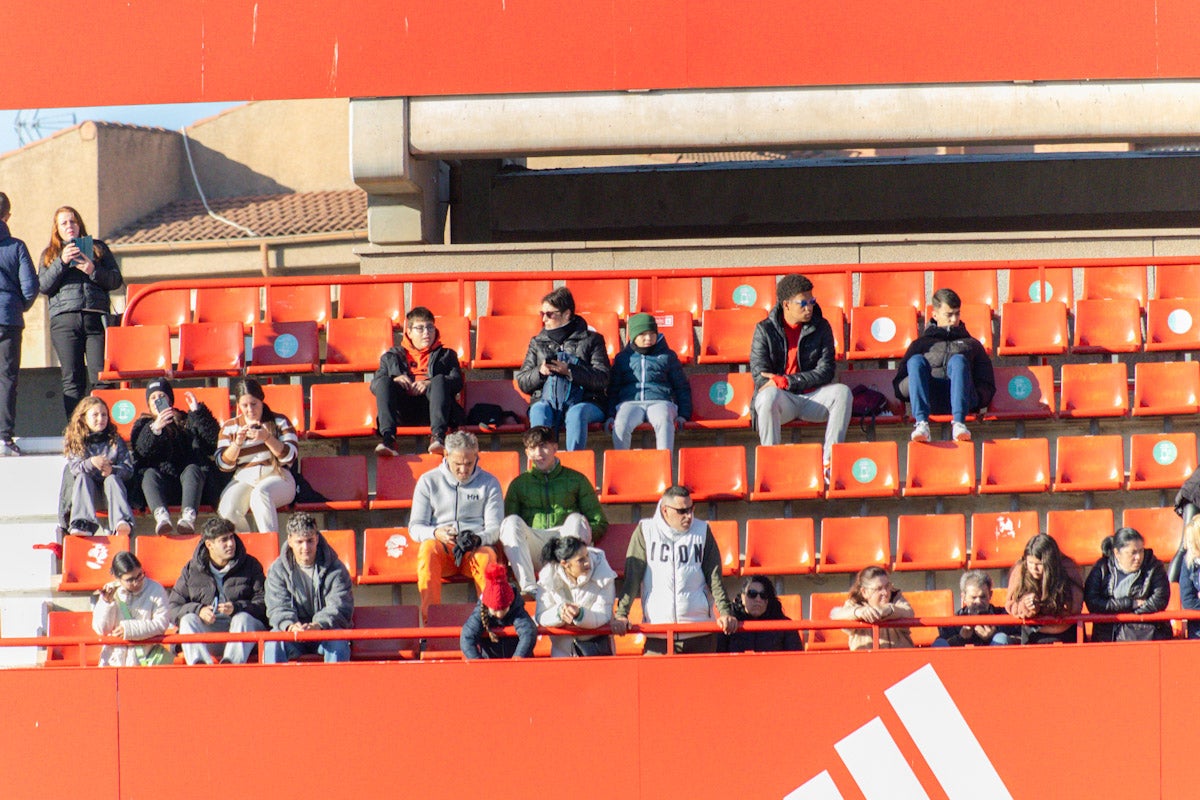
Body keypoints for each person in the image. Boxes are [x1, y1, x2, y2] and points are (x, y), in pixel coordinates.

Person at [612, 486, 737, 654]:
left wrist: (724, 611)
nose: (689, 516)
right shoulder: (645, 531)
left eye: (691, 509)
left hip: (700, 632)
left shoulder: (702, 531)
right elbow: (632, 578)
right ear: (665, 510)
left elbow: (714, 577)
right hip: (658, 634)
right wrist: (622, 614)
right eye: (682, 511)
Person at [750, 273, 851, 468]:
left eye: (812, 301)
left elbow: (826, 371)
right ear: (786, 305)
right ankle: (771, 466)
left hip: (813, 397)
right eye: (803, 303)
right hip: (782, 400)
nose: (810, 307)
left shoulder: (821, 326)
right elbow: (760, 375)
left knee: (842, 392)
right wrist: (780, 385)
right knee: (767, 396)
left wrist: (787, 381)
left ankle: (829, 464)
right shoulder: (764, 329)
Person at [499, 426, 608, 597]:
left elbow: (598, 522)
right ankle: (529, 589)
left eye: (543, 446)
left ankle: (574, 584)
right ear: (527, 452)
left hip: (565, 541)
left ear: (555, 448)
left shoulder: (576, 479)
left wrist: (581, 540)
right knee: (510, 522)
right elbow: (508, 528)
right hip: (535, 546)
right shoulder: (519, 484)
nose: (538, 453)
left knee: (576, 519)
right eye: (532, 448)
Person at [38, 206, 123, 419]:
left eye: (73, 221)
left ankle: (103, 428)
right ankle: (76, 432)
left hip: (95, 318)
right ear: (56, 229)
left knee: (101, 377)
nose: (69, 226)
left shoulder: (97, 248)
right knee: (72, 379)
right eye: (64, 223)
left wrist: (93, 271)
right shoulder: (50, 253)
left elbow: (115, 280)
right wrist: (62, 262)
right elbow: (43, 286)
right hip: (64, 321)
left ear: (79, 224)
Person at [409, 430, 503, 622]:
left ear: (477, 456)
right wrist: (436, 532)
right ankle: (431, 621)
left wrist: (478, 539)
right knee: (427, 549)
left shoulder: (490, 483)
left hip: (474, 548)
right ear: (446, 456)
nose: (464, 469)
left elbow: (495, 528)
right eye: (457, 464)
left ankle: (492, 620)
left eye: (469, 463)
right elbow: (415, 527)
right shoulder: (428, 481)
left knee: (488, 557)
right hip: (443, 547)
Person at [893, 287, 995, 443]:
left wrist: (974, 398)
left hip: (964, 399)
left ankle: (959, 424)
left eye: (957, 314)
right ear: (935, 314)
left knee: (958, 361)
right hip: (930, 398)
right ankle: (921, 424)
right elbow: (899, 387)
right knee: (915, 361)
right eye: (949, 314)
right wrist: (916, 377)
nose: (954, 320)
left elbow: (987, 383)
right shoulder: (919, 345)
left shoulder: (972, 344)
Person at [515, 287, 610, 451]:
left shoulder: (592, 340)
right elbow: (523, 381)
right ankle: (541, 462)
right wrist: (540, 372)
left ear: (566, 314)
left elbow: (602, 378)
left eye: (549, 314)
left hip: (587, 401)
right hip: (547, 399)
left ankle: (572, 465)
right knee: (539, 410)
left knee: (576, 413)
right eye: (542, 314)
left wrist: (570, 371)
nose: (544, 319)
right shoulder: (537, 342)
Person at [168, 516, 268, 665]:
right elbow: (173, 608)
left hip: (245, 636)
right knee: (188, 619)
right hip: (209, 633)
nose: (231, 544)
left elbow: (264, 603)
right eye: (224, 540)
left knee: (242, 618)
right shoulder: (192, 569)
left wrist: (237, 608)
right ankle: (201, 668)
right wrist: (198, 610)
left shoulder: (251, 565)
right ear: (209, 544)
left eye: (232, 538)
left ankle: (231, 667)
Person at [130, 378, 221, 535]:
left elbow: (212, 442)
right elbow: (141, 451)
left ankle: (188, 517)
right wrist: (155, 428)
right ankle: (161, 517)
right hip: (162, 487)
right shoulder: (143, 425)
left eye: (162, 396)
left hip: (191, 486)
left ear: (170, 400)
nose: (158, 400)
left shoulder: (186, 419)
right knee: (149, 474)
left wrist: (197, 411)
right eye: (153, 398)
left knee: (193, 469)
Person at [371, 305, 464, 457]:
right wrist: (394, 380)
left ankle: (438, 438)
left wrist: (430, 383)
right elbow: (375, 385)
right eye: (420, 328)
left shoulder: (447, 355)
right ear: (409, 332)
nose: (427, 333)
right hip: (403, 410)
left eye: (430, 327)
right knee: (384, 381)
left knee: (439, 380)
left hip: (434, 409)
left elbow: (457, 382)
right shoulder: (391, 357)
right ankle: (389, 439)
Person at [264, 512, 354, 663]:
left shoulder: (336, 568)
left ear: (317, 538)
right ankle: (275, 686)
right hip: (292, 634)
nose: (305, 547)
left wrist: (318, 625)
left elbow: (340, 606)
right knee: (273, 642)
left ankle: (337, 686)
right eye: (299, 542)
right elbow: (276, 607)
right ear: (290, 541)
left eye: (310, 541)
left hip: (325, 632)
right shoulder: (277, 570)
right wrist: (290, 626)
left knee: (339, 642)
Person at [215, 378, 298, 533]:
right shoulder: (230, 427)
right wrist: (237, 443)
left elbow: (290, 456)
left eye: (254, 404)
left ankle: (269, 546)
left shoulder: (279, 421)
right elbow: (223, 464)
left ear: (261, 401)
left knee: (260, 495)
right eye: (244, 405)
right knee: (227, 509)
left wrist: (267, 438)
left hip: (277, 475)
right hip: (245, 477)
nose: (250, 410)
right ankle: (248, 547)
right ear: (238, 405)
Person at [606, 312, 691, 451]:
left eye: (652, 333)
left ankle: (665, 465)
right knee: (621, 424)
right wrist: (609, 414)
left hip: (661, 401)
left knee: (664, 420)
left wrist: (683, 414)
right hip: (630, 402)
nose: (648, 338)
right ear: (633, 336)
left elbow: (681, 387)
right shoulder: (623, 358)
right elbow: (613, 389)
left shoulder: (667, 356)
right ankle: (621, 467)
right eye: (642, 334)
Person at [1084, 527, 1171, 643]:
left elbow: (1160, 599)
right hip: (1107, 636)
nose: (1138, 557)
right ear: (1117, 553)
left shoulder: (1154, 566)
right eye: (1133, 553)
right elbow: (1093, 602)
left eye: (1141, 551)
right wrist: (1130, 604)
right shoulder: (1101, 568)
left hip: (1145, 634)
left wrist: (1127, 616)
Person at [0, 193, 38, 455]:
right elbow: (30, 287)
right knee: (7, 378)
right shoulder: (17, 247)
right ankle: (4, 436)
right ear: (7, 216)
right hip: (9, 319)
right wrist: (16, 307)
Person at [63, 396, 134, 535]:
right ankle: (83, 523)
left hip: (111, 495)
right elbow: (74, 468)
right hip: (88, 496)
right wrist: (91, 463)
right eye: (95, 415)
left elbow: (128, 469)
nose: (100, 419)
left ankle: (122, 522)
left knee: (112, 479)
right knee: (83, 477)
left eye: (104, 415)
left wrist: (112, 470)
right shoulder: (77, 440)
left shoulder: (115, 440)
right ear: (84, 418)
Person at [535, 535, 617, 657]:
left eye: (587, 555)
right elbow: (541, 616)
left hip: (596, 653)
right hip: (562, 654)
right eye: (580, 560)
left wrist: (579, 614)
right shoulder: (548, 578)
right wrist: (559, 613)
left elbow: (604, 615)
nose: (587, 562)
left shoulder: (603, 573)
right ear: (565, 564)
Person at [91, 551, 171, 667]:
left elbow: (161, 624)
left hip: (145, 662)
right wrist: (106, 603)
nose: (136, 582)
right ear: (118, 579)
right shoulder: (109, 592)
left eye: (140, 575)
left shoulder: (156, 589)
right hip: (113, 662)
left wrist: (128, 630)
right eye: (130, 580)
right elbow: (101, 629)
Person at [1005, 533, 1085, 645]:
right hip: (1032, 634)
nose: (1034, 568)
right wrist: (1026, 606)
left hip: (1066, 633)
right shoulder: (1019, 571)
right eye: (1030, 563)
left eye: (1039, 564)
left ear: (1050, 563)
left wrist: (1045, 606)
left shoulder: (1068, 569)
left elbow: (1074, 606)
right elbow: (1010, 604)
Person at [460, 563, 537, 659]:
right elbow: (467, 638)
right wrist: (478, 663)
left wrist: (518, 659)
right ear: (487, 606)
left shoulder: (516, 609)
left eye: (504, 609)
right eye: (495, 610)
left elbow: (528, 631)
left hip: (517, 665)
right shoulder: (480, 612)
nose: (500, 614)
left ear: (510, 603)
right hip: (489, 665)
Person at [829, 566, 914, 651]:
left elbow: (908, 612)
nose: (885, 592)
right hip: (865, 661)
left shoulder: (896, 598)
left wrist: (888, 610)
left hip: (900, 660)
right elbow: (835, 614)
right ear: (864, 592)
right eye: (879, 589)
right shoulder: (855, 603)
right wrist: (858, 612)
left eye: (887, 586)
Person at [717, 576, 803, 653]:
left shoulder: (784, 626)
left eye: (763, 595)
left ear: (767, 601)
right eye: (752, 594)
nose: (758, 599)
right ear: (742, 598)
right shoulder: (730, 624)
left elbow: (796, 660)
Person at [933, 570, 1015, 647]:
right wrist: (960, 638)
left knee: (1001, 638)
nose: (978, 602)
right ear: (963, 597)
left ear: (990, 595)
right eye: (973, 597)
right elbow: (941, 644)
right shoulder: (952, 624)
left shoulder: (1004, 617)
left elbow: (1020, 640)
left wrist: (993, 636)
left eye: (983, 597)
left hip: (996, 660)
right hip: (962, 661)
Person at [1178, 516, 1200, 639]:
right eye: (1189, 541)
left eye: (1193, 542)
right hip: (1198, 630)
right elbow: (1188, 601)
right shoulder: (1188, 562)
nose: (1189, 546)